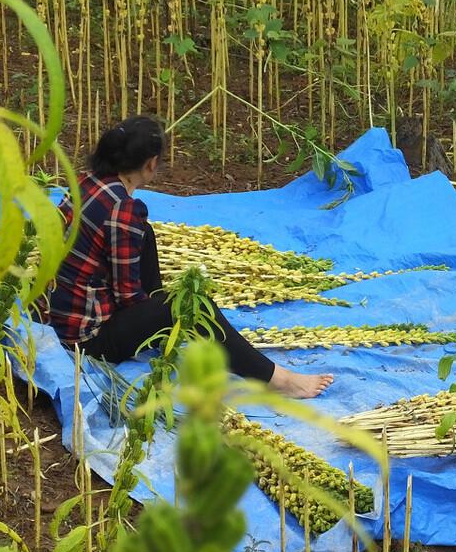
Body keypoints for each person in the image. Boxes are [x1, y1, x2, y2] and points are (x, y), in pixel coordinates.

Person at [46, 116, 334, 398]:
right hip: (88, 339)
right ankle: (279, 380)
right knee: (192, 307)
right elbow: (127, 297)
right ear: (151, 164)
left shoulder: (84, 183)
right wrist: (165, 312)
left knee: (144, 234)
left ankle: (162, 323)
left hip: (61, 315)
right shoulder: (123, 210)